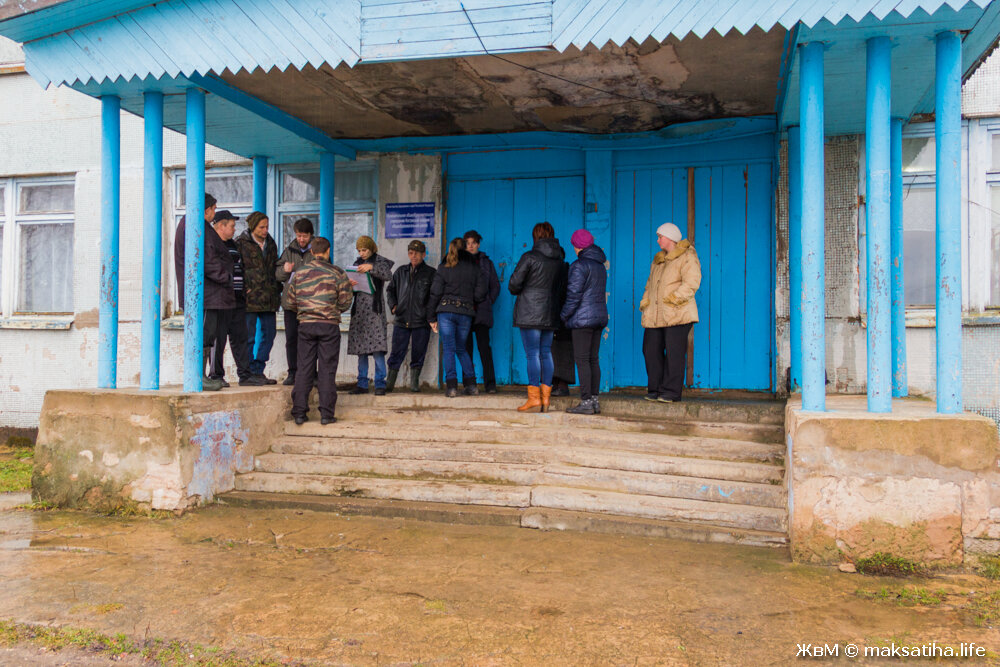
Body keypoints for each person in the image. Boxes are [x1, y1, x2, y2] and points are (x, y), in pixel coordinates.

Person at [287, 237, 354, 425]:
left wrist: (306, 310)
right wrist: (331, 311)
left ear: (311, 252)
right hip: (328, 325)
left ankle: (299, 413)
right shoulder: (337, 273)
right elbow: (346, 302)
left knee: (304, 369)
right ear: (328, 251)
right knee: (327, 370)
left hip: (306, 325)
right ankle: (326, 414)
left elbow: (290, 301)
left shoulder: (299, 273)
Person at [640, 222, 701, 402]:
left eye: (660, 237)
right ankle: (655, 389)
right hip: (655, 314)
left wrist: (674, 299)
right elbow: (650, 284)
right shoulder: (658, 260)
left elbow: (692, 282)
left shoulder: (687, 256)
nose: (658, 240)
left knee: (674, 353)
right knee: (650, 349)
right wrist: (646, 301)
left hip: (677, 313)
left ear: (671, 238)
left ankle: (671, 392)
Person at [508, 222, 566, 413]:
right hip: (550, 312)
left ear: (536, 236)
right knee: (546, 353)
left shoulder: (530, 257)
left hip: (530, 313)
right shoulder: (559, 260)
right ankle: (546, 398)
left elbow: (513, 285)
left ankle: (534, 399)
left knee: (532, 354)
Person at [173, 193, 226, 391]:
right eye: (213, 209)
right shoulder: (195, 227)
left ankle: (200, 375)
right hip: (203, 293)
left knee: (205, 333)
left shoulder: (193, 225)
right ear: (206, 210)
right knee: (203, 334)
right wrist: (225, 276)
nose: (215, 213)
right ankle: (198, 377)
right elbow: (206, 259)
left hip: (205, 292)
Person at [209, 211, 266, 387]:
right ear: (221, 226)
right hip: (221, 300)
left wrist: (244, 286)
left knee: (241, 337)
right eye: (232, 225)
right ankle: (216, 375)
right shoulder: (213, 245)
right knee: (218, 340)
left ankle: (245, 375)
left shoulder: (233, 244)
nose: (235, 229)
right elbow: (214, 270)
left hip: (238, 299)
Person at [428, 238, 487, 397]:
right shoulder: (475, 268)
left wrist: (431, 316)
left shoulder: (444, 267)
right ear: (465, 249)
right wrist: (469, 299)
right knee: (461, 348)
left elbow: (435, 292)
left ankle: (452, 387)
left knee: (448, 348)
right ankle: (472, 386)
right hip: (465, 312)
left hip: (446, 311)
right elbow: (481, 292)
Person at [561, 229, 609, 415]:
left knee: (582, 360)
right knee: (593, 359)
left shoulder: (579, 266)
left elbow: (573, 295)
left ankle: (586, 401)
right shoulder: (600, 266)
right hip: (599, 317)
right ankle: (594, 400)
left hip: (582, 320)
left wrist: (564, 315)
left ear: (577, 246)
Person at [237, 211, 281, 384]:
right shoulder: (241, 243)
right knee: (248, 336)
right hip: (249, 298)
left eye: (266, 227)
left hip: (269, 297)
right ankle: (247, 373)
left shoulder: (270, 243)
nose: (265, 230)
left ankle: (258, 368)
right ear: (252, 227)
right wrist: (243, 289)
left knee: (269, 333)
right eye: (261, 227)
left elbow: (274, 266)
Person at [386, 240, 436, 393]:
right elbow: (390, 290)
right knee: (396, 351)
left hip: (421, 320)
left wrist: (429, 315)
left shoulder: (431, 273)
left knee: (419, 351)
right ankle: (390, 382)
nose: (413, 256)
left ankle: (414, 382)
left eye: (417, 253)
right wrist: (394, 306)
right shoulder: (401, 272)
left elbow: (434, 296)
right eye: (411, 253)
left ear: (423, 255)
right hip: (401, 319)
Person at [347, 236, 394, 395]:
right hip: (360, 311)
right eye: (359, 250)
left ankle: (380, 383)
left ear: (371, 248)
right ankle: (362, 383)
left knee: (377, 348)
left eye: (364, 250)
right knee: (362, 348)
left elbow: (388, 275)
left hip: (375, 310)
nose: (362, 253)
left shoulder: (380, 261)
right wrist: (350, 284)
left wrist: (370, 268)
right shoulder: (356, 263)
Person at [276, 218, 314, 386]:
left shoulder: (317, 250)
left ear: (310, 235)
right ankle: (293, 372)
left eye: (304, 236)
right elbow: (277, 275)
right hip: (291, 303)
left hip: (311, 304)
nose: (301, 239)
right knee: (291, 338)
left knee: (311, 339)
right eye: (299, 235)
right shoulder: (289, 250)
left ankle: (311, 373)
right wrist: (285, 271)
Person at [462, 230, 501, 393]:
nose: (470, 246)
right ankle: (469, 384)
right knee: (466, 349)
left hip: (481, 313)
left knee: (484, 348)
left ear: (478, 244)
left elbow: (495, 286)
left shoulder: (486, 263)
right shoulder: (460, 262)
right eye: (468, 243)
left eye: (473, 243)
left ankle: (490, 385)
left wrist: (487, 302)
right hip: (464, 312)